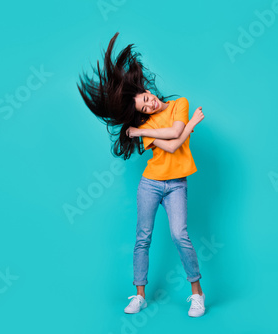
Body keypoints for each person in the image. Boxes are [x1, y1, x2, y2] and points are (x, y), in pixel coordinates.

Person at [77, 32, 206, 317]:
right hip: (150, 184)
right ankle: (139, 295)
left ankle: (197, 293)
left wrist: (142, 131)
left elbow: (173, 136)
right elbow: (174, 145)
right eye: (145, 108)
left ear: (148, 91)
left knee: (179, 234)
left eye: (147, 99)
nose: (150, 105)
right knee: (142, 237)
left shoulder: (178, 105)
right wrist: (185, 126)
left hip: (176, 185)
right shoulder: (150, 124)